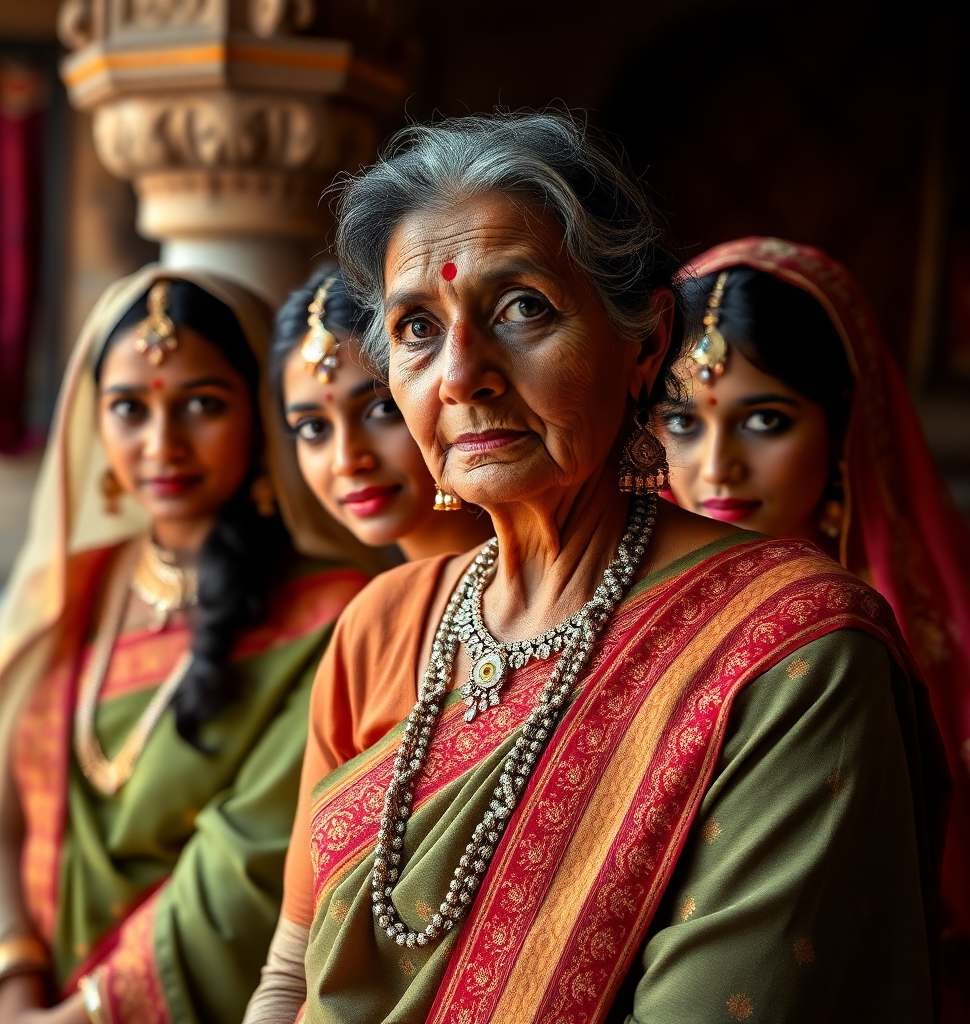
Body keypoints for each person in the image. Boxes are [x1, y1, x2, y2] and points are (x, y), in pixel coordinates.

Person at [243, 113, 946, 1024]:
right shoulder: (383, 625)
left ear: (647, 343)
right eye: (417, 327)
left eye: (522, 307)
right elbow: (288, 977)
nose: (461, 374)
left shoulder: (793, 656)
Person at [0, 268, 372, 1024]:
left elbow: (244, 872)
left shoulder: (334, 617)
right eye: (128, 409)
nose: (161, 444)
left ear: (263, 415)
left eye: (202, 405)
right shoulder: (74, 591)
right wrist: (9, 985)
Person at [660, 235, 970, 1017]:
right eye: (683, 422)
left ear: (841, 430)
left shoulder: (877, 634)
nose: (717, 466)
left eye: (764, 420)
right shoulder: (612, 603)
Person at [270, 267, 494, 563]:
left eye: (383, 409)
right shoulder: (369, 606)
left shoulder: (558, 589)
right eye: (313, 428)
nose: (346, 461)